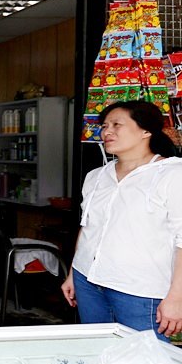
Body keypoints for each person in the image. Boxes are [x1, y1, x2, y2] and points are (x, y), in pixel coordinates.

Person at [61, 100, 182, 342]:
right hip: (88, 282)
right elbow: (88, 228)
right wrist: (74, 273)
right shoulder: (96, 176)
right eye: (104, 126)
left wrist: (176, 297)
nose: (107, 132)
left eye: (117, 125)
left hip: (139, 290)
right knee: (100, 359)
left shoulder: (172, 174)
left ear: (146, 131)